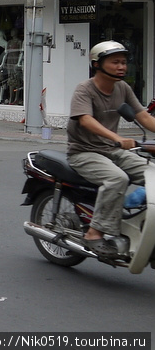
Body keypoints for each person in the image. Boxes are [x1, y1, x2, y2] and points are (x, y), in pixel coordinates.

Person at [66, 41, 155, 259]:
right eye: (115, 62)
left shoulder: (122, 88)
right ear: (97, 64)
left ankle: (137, 224)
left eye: (124, 62)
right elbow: (85, 120)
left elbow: (143, 116)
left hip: (112, 151)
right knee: (117, 179)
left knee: (152, 174)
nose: (121, 67)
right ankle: (94, 233)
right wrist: (117, 137)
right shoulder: (84, 89)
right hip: (84, 152)